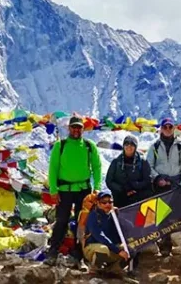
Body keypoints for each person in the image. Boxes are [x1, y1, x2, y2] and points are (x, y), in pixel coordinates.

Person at [44, 116, 103, 266]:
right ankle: (53, 251)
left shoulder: (89, 146)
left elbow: (97, 167)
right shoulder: (60, 145)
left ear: (83, 129)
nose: (76, 130)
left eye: (79, 127)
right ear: (69, 128)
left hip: (84, 190)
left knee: (81, 222)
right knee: (61, 220)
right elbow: (53, 169)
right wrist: (53, 190)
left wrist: (97, 187)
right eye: (74, 127)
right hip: (64, 190)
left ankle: (79, 254)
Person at [146, 118, 181, 257]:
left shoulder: (180, 147)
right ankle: (165, 247)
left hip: (177, 185)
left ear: (174, 129)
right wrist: (157, 178)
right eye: (165, 127)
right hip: (161, 185)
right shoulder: (155, 146)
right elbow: (149, 166)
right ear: (161, 129)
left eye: (170, 127)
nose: (168, 129)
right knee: (163, 217)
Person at [83, 191, 134, 278]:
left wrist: (119, 216)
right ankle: (95, 269)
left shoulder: (113, 214)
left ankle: (113, 270)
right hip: (93, 247)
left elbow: (128, 228)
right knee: (103, 249)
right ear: (98, 203)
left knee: (132, 247)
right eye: (104, 202)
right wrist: (118, 251)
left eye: (110, 202)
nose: (107, 204)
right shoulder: (94, 215)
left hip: (111, 246)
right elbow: (100, 236)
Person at [106, 134, 153, 209]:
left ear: (135, 147)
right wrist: (123, 189)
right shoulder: (116, 162)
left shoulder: (142, 162)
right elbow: (109, 181)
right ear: (123, 146)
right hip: (120, 197)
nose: (129, 146)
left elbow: (148, 180)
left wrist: (135, 186)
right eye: (126, 144)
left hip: (138, 198)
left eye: (132, 144)